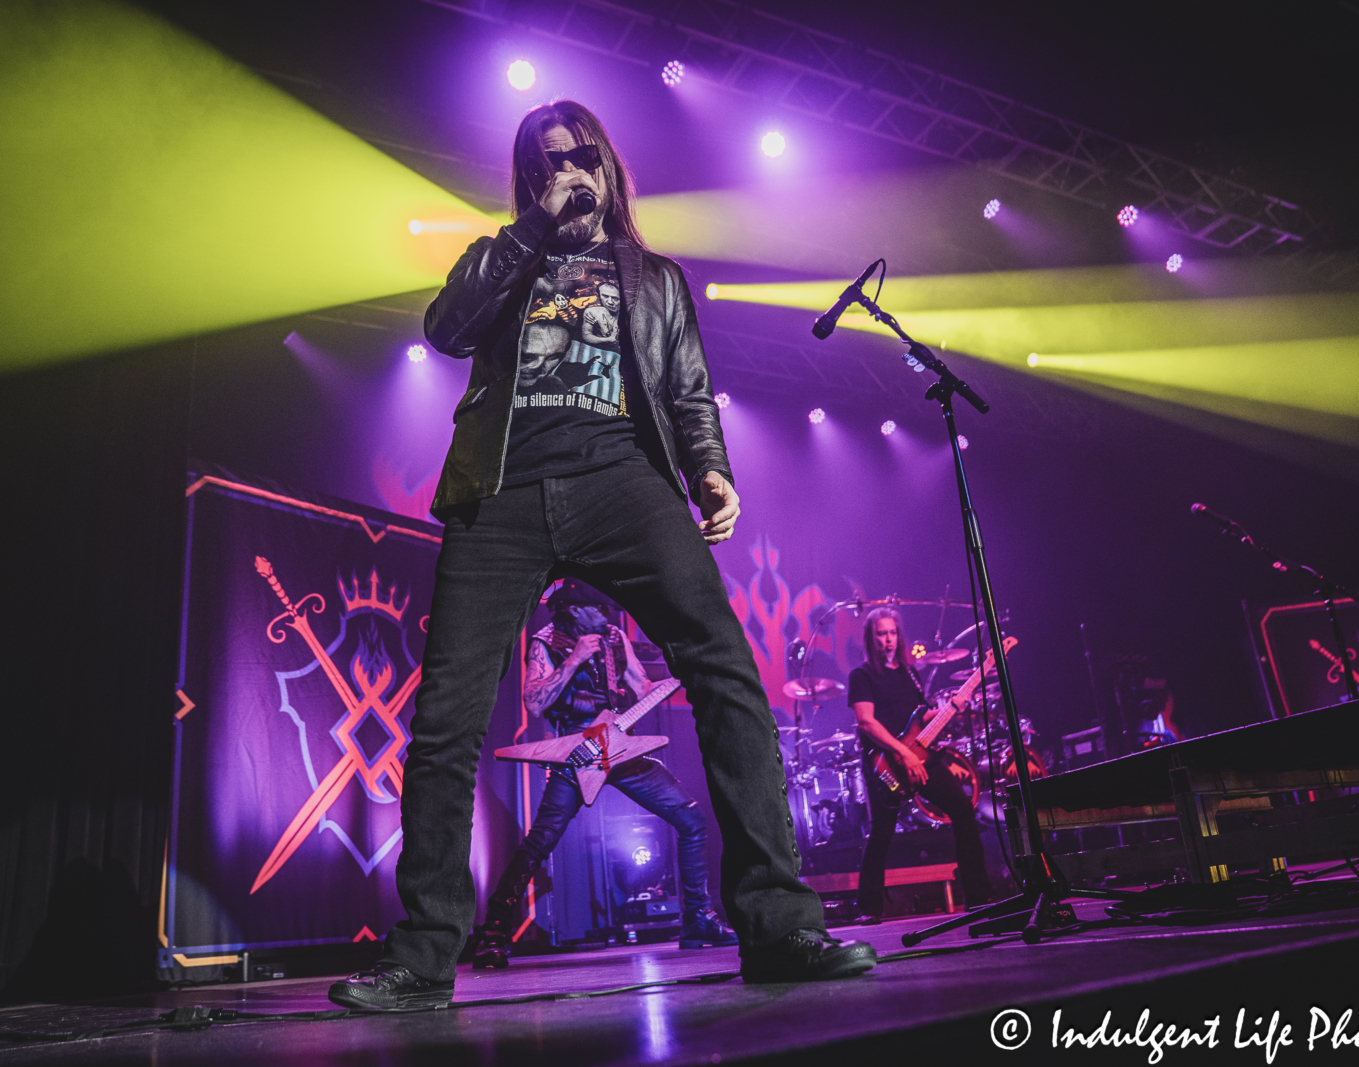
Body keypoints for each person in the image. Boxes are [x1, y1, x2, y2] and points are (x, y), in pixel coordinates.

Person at [329, 100, 874, 1010]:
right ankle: (422, 959)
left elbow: (690, 391)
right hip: (500, 491)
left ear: (610, 166)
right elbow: (445, 328)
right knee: (448, 719)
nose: (569, 171)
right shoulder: (502, 259)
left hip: (621, 477)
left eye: (582, 156)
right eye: (549, 164)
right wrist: (532, 228)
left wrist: (710, 471)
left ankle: (781, 927)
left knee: (726, 672)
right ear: (530, 180)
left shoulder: (656, 277)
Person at [459, 579, 737, 969]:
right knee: (540, 841)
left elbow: (642, 690)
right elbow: (534, 703)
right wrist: (572, 660)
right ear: (573, 610)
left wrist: (682, 677)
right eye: (598, 608)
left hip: (620, 745)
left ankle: (698, 920)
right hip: (574, 753)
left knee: (690, 818)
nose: (607, 615)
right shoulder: (545, 641)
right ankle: (493, 934)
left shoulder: (614, 637)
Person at [847, 608, 993, 922]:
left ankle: (979, 896)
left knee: (963, 808)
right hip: (885, 763)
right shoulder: (862, 675)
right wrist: (906, 754)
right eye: (881, 634)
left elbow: (921, 715)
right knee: (882, 832)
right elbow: (866, 723)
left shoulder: (909, 672)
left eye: (892, 633)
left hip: (921, 755)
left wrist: (950, 705)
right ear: (871, 638)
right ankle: (869, 907)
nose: (887, 639)